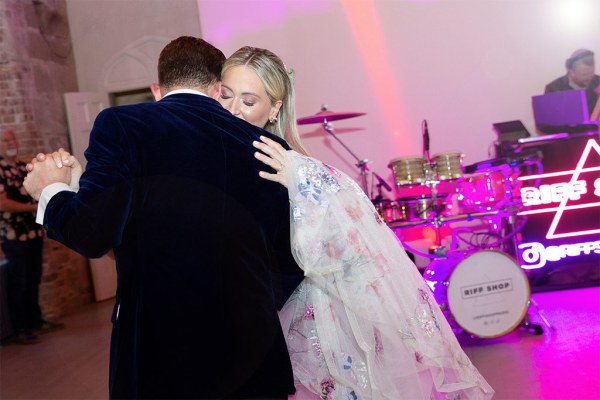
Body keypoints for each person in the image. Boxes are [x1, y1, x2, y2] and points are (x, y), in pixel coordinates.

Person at [23, 37, 304, 399]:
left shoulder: (122, 124)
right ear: (217, 87)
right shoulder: (273, 149)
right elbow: (288, 262)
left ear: (157, 88)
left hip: (163, 357)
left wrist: (50, 190)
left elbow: (92, 235)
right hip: (254, 358)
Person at [219, 46, 494, 399]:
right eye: (226, 95)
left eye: (247, 100)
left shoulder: (291, 165)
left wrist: (299, 176)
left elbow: (341, 243)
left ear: (274, 108)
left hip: (304, 318)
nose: (231, 109)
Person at [0, 128, 62, 345]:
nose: (11, 142)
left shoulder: (20, 167)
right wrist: (32, 208)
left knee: (33, 277)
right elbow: (2, 202)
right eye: (6, 139)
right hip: (13, 235)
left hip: (32, 232)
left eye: (13, 138)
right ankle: (21, 328)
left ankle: (35, 321)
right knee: (19, 281)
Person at [544, 49, 600, 115]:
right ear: (571, 71)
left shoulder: (598, 82)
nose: (590, 77)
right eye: (584, 74)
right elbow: (548, 121)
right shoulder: (554, 89)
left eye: (591, 73)